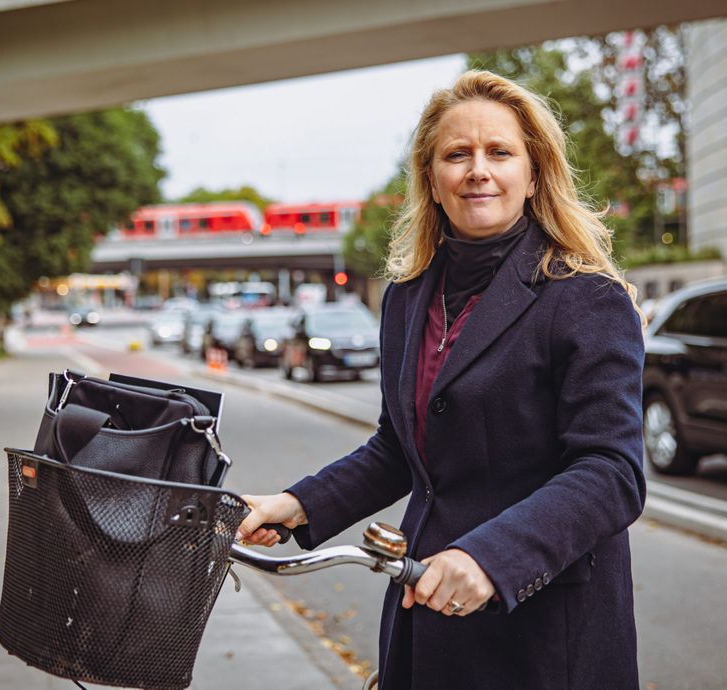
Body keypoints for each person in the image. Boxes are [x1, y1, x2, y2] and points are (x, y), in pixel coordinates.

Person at [237, 70, 646, 690]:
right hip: (426, 620)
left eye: (499, 152)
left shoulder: (586, 298)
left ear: (533, 175)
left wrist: (492, 556)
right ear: (431, 179)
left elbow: (611, 472)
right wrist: (293, 506)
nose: (478, 169)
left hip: (541, 635)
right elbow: (398, 450)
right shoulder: (406, 299)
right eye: (457, 154)